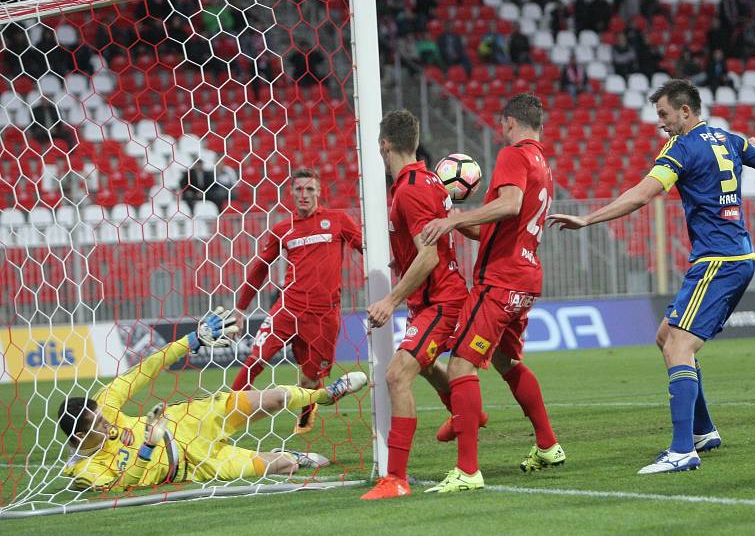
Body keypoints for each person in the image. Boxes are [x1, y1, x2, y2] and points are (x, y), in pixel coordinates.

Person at [548, 79, 755, 474]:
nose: (660, 122)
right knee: (666, 336)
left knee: (679, 347)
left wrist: (588, 217)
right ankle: (702, 431)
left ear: (685, 111)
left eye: (663, 114)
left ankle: (681, 451)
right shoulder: (729, 139)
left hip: (718, 260)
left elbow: (643, 194)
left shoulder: (682, 147)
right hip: (735, 255)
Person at [420, 94, 565, 493]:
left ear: (507, 123)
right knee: (506, 359)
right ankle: (548, 445)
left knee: (461, 365)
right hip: (526, 277)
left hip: (500, 280)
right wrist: (457, 221)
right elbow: (501, 226)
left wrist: (456, 221)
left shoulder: (513, 155)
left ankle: (468, 470)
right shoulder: (542, 163)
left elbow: (510, 204)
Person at [59, 308, 368, 491]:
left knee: (276, 398)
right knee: (285, 466)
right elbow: (124, 486)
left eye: (103, 414)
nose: (107, 419)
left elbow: (146, 369)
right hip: (196, 466)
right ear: (80, 436)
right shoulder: (86, 471)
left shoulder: (105, 403)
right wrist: (147, 447)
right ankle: (287, 455)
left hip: (190, 421)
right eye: (99, 422)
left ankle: (324, 395)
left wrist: (191, 340)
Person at [359, 110, 483, 500]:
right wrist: (403, 258)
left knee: (398, 375)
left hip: (440, 300)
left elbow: (428, 257)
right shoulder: (426, 178)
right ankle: (468, 412)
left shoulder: (410, 189)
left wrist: (389, 301)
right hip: (432, 296)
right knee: (426, 366)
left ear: (383, 144)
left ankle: (396, 478)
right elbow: (427, 246)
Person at [232, 168, 362, 435]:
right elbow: (260, 267)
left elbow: (366, 247)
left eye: (310, 189)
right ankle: (224, 412)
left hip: (324, 316)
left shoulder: (338, 220)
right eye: (299, 189)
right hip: (288, 308)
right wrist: (240, 307)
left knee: (309, 379)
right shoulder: (283, 229)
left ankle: (306, 415)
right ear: (291, 193)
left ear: (319, 192)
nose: (304, 195)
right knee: (255, 360)